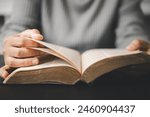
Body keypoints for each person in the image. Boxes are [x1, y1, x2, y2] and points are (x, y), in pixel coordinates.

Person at [0, 0, 150, 79]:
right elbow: (18, 25)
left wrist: (139, 52)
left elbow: (131, 32)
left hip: (105, 82)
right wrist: (17, 43)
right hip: (45, 81)